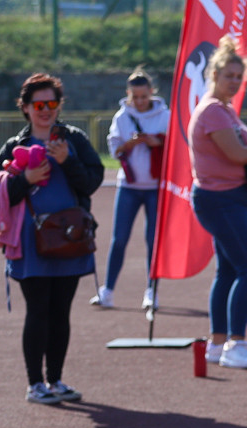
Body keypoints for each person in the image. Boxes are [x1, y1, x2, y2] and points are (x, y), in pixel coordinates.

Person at [0, 72, 104, 404]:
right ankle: (34, 384)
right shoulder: (15, 145)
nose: (46, 110)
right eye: (39, 104)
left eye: (52, 103)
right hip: (29, 241)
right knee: (37, 310)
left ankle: (56, 380)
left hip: (71, 238)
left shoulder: (74, 139)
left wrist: (68, 162)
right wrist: (25, 179)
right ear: (25, 107)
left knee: (61, 312)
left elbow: (93, 181)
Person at [189, 35, 247, 369]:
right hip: (221, 199)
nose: (235, 82)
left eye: (239, 77)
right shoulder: (213, 111)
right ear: (214, 75)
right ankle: (235, 343)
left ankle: (217, 343)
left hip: (229, 197)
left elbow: (238, 153)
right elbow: (236, 154)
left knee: (228, 271)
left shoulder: (223, 110)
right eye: (229, 76)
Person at [92, 68, 169, 311]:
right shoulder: (122, 117)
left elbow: (176, 146)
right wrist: (131, 143)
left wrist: (158, 142)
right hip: (128, 185)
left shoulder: (164, 115)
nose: (139, 101)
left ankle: (151, 292)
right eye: (134, 97)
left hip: (155, 187)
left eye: (143, 97)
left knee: (152, 241)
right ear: (128, 95)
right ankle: (108, 291)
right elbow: (115, 148)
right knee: (119, 239)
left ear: (151, 93)